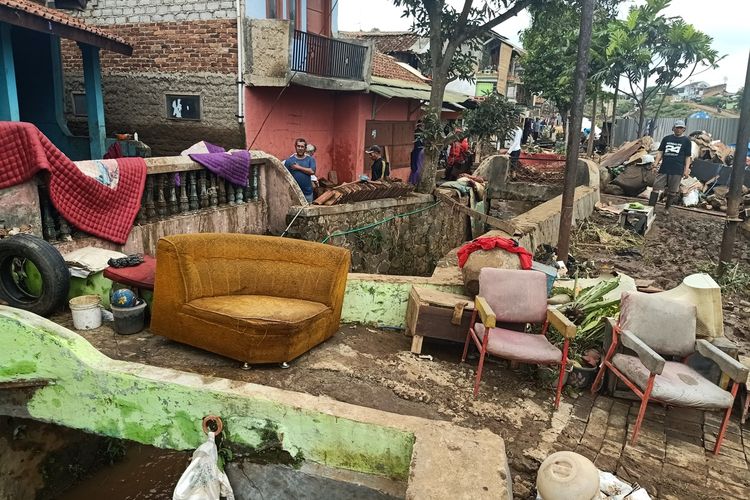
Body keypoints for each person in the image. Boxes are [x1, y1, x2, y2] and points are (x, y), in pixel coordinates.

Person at [652, 120, 692, 215]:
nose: (679, 130)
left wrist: (686, 169)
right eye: (677, 127)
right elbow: (660, 152)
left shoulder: (686, 141)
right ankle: (651, 207)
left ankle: (666, 208)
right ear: (673, 128)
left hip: (677, 169)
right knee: (656, 188)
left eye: (681, 128)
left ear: (684, 129)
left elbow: (687, 157)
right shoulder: (666, 139)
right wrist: (655, 164)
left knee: (672, 191)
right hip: (664, 167)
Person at [284, 138, 316, 203]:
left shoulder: (310, 159)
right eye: (298, 146)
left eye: (302, 146)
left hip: (307, 193)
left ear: (305, 148)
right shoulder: (289, 161)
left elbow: (312, 171)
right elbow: (285, 176)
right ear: (295, 147)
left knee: (308, 212)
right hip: (294, 194)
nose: (300, 148)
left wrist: (298, 167)